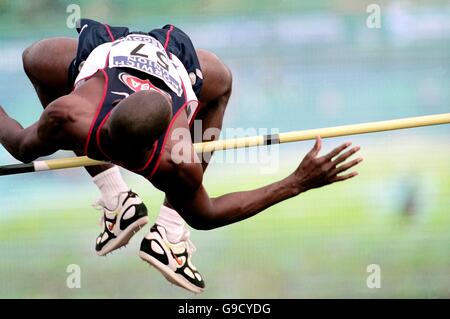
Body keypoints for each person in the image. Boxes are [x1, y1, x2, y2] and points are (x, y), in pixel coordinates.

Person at [0, 19, 363, 294]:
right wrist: (297, 182)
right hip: (116, 55)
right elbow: (17, 143)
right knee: (35, 58)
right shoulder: (69, 116)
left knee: (221, 81)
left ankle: (169, 235)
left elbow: (206, 216)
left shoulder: (175, 159)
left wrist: (297, 182)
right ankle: (118, 198)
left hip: (166, 64)